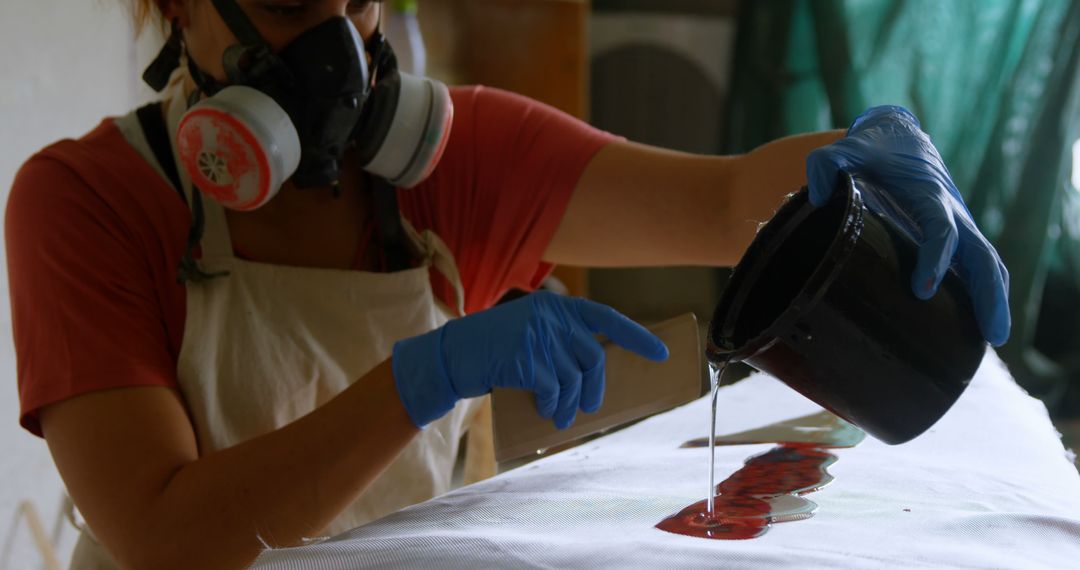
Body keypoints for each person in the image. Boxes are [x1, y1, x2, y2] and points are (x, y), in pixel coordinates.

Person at [5, 0, 1010, 568]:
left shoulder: (444, 164)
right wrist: (416, 383)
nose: (333, 55)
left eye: (354, 6)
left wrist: (866, 160)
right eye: (283, 5)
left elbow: (725, 203)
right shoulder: (85, 202)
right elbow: (167, 538)